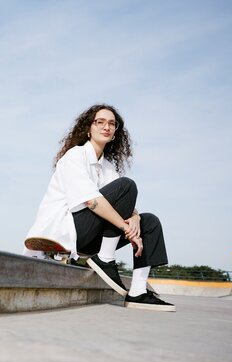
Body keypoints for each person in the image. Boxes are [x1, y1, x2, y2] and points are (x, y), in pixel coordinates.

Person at [23, 104, 175, 312]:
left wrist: (136, 219)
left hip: (90, 236)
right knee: (127, 186)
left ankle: (138, 292)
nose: (107, 127)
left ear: (115, 133)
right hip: (67, 230)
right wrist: (125, 227)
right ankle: (105, 259)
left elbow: (124, 202)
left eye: (112, 124)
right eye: (100, 122)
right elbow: (92, 202)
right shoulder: (75, 156)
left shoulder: (108, 167)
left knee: (150, 222)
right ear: (88, 128)